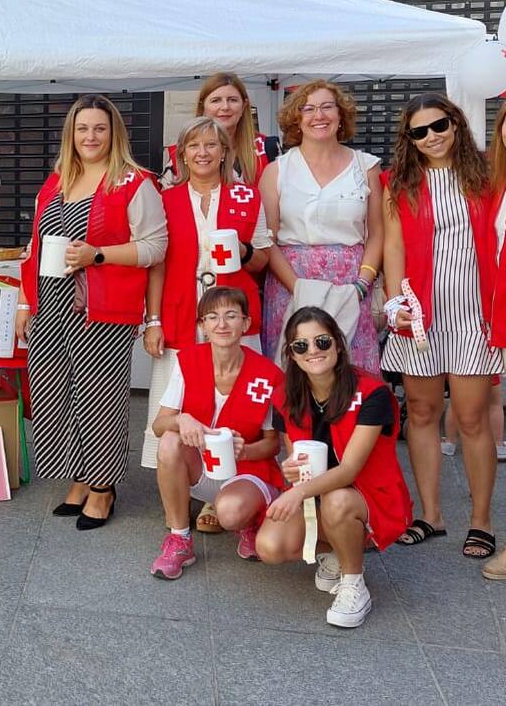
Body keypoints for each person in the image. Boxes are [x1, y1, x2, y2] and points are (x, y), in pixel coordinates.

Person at [16, 95, 167, 529]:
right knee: (56, 396)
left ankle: (103, 488)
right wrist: (25, 302)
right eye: (83, 128)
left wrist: (98, 255)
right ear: (71, 134)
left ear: (114, 132)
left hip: (101, 310)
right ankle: (79, 477)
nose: (91, 136)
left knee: (99, 399)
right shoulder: (57, 180)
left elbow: (156, 247)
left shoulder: (134, 183)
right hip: (51, 307)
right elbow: (35, 245)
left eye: (100, 128)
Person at [382, 93, 499, 559]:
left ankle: (481, 521)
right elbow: (393, 247)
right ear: (408, 138)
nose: (431, 136)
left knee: (471, 418)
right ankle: (431, 515)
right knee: (421, 412)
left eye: (439, 126)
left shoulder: (487, 176)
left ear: (456, 124)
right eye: (419, 131)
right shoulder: (399, 182)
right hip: (420, 316)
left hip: (473, 314)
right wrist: (394, 303)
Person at [142, 117, 272, 532]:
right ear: (181, 154)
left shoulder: (246, 196)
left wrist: (244, 250)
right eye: (194, 145)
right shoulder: (165, 199)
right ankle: (185, 486)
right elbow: (156, 264)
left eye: (211, 145)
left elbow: (263, 259)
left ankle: (228, 486)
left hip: (231, 310)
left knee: (234, 398)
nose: (202, 152)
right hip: (181, 307)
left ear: (224, 152)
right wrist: (153, 319)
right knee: (178, 401)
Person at [257, 307, 411, 628]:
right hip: (318, 495)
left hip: (369, 497)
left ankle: (354, 582)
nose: (313, 351)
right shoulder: (286, 397)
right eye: (301, 346)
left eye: (322, 341)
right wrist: (292, 471)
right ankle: (338, 552)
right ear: (292, 355)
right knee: (270, 546)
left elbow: (349, 470)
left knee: (337, 500)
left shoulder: (372, 393)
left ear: (338, 344)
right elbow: (296, 460)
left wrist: (297, 492)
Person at [149, 287, 284, 579]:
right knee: (169, 441)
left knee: (229, 514)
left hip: (247, 469)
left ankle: (249, 522)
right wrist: (181, 419)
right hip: (201, 465)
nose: (221, 324)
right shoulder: (187, 361)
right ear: (202, 326)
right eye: (212, 317)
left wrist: (245, 451)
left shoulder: (268, 374)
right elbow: (158, 426)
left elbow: (273, 445)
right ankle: (180, 540)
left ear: (245, 323)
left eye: (231, 315)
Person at [258, 80, 382, 371]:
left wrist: (361, 286)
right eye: (308, 109)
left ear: (341, 115)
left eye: (327, 107)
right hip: (291, 284)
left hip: (350, 285)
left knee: (351, 372)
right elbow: (267, 239)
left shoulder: (366, 167)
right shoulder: (276, 171)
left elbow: (377, 234)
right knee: (298, 370)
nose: (319, 115)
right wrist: (299, 288)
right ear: (297, 119)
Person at [164, 73, 277, 186]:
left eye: (232, 100)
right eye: (216, 100)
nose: (225, 107)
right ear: (202, 106)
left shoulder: (268, 148)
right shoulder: (180, 154)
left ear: (244, 106)